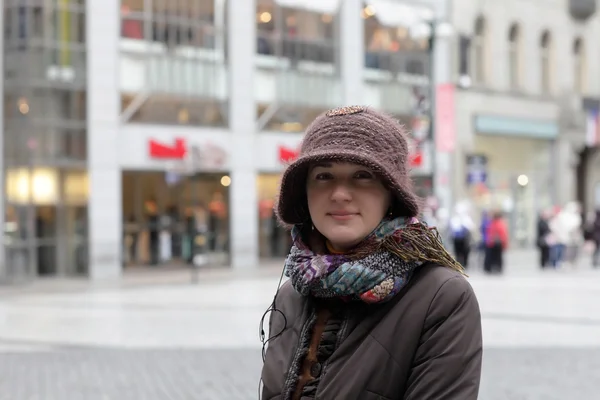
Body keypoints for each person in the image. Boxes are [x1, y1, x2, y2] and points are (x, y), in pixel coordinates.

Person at [260, 106, 482, 400]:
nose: (340, 193)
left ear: (392, 192)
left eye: (362, 175)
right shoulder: (291, 294)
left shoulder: (441, 297)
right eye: (324, 176)